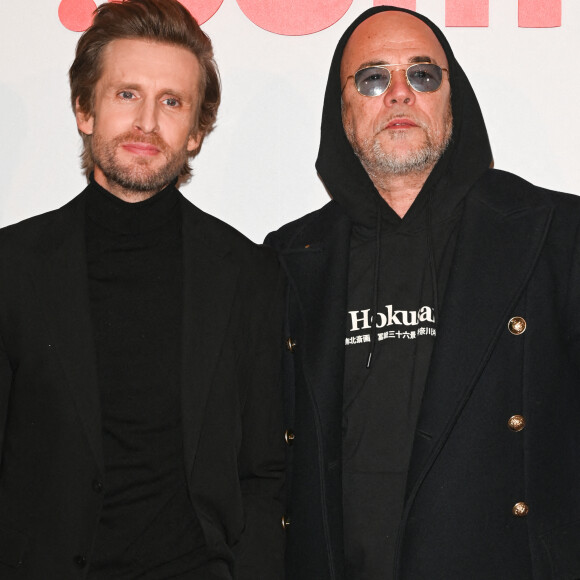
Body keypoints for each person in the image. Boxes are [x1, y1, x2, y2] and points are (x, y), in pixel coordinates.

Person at [266, 6, 580, 580]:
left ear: (453, 100)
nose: (400, 94)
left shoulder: (557, 233)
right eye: (374, 78)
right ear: (343, 111)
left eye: (424, 75)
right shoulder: (288, 258)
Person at [0, 0, 285, 578]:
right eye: (127, 94)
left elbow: (268, 469)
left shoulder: (248, 274)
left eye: (172, 102)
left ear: (198, 130)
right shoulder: (12, 268)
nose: (147, 123)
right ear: (84, 109)